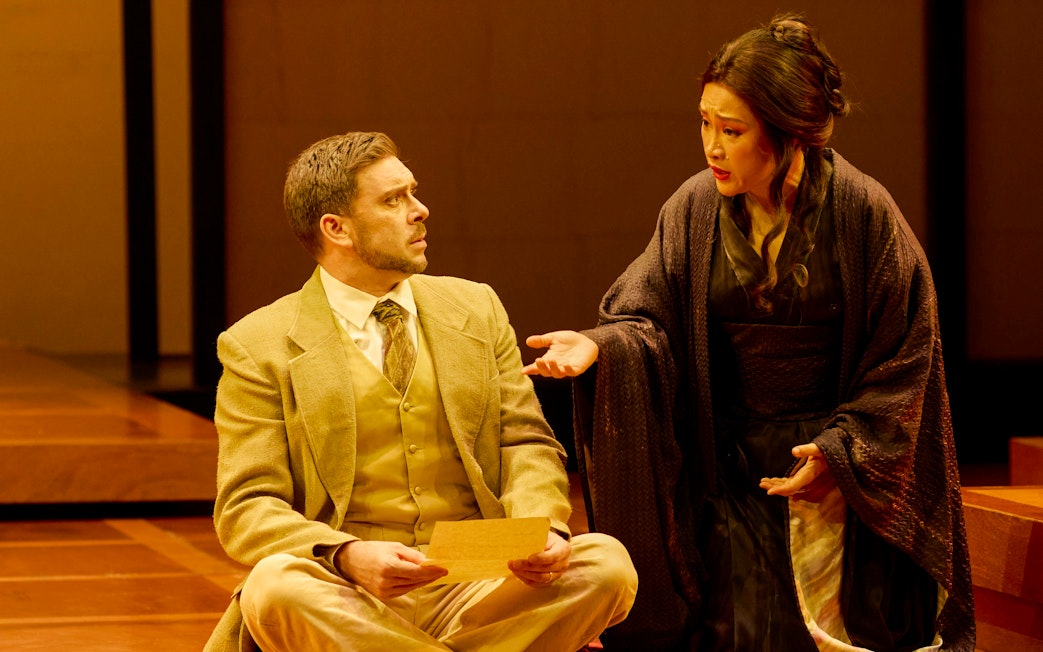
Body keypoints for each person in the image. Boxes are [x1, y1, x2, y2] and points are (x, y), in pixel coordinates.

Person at [525, 14, 974, 652]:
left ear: (789, 133)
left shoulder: (862, 213)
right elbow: (647, 317)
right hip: (727, 470)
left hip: (831, 467)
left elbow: (905, 357)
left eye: (731, 131)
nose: (712, 147)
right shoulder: (693, 208)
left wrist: (841, 453)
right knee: (734, 632)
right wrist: (602, 343)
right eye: (704, 124)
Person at [203, 131, 637, 652]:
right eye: (393, 200)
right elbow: (247, 506)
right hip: (348, 588)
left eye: (413, 192)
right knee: (275, 586)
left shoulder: (475, 308)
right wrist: (346, 555)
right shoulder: (258, 344)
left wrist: (540, 530)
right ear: (336, 228)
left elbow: (524, 442)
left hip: (483, 581)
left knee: (606, 563)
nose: (420, 210)